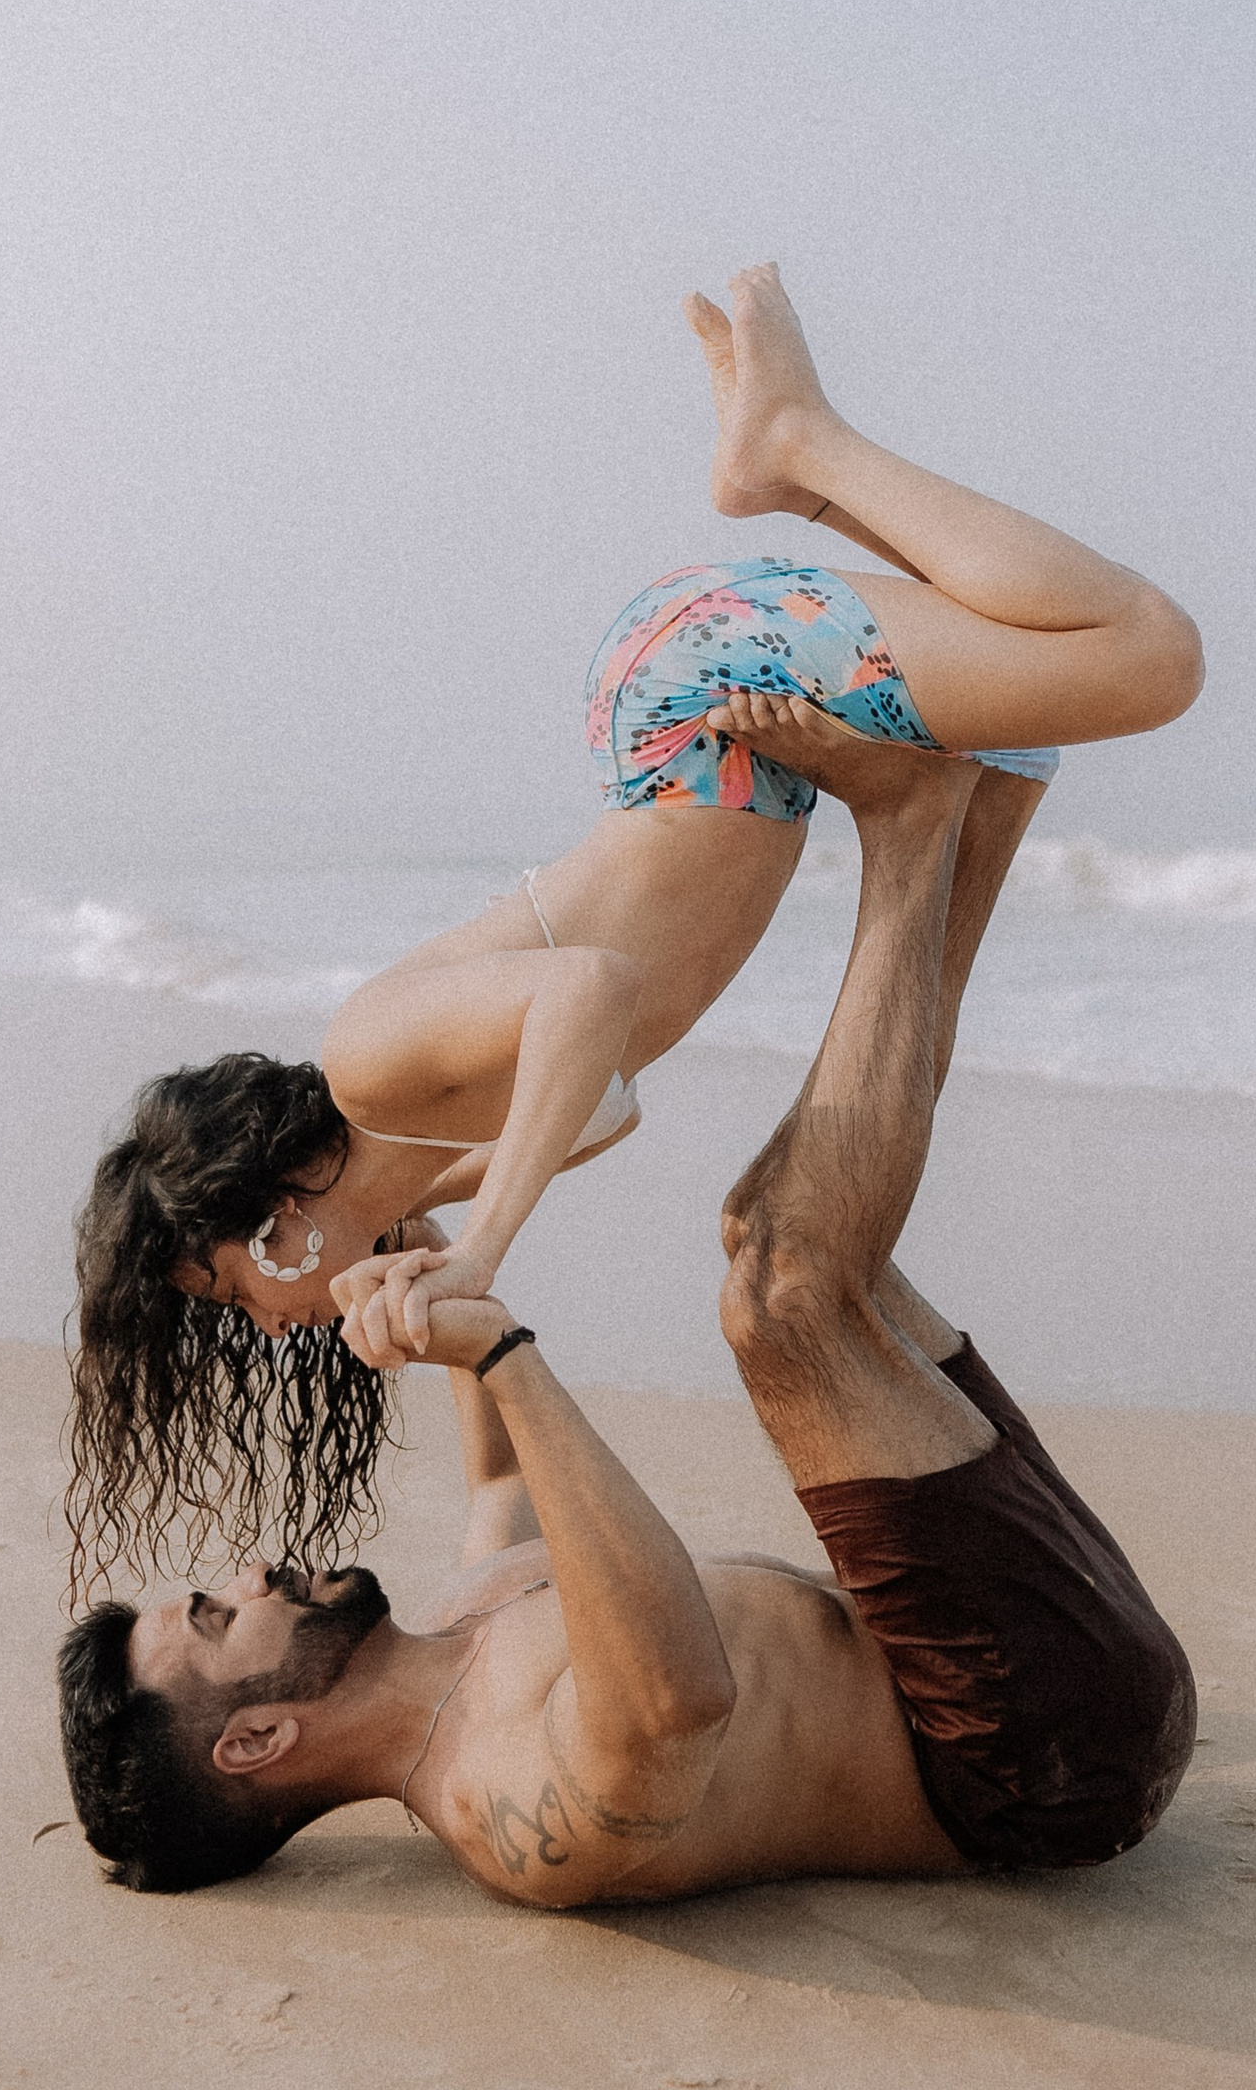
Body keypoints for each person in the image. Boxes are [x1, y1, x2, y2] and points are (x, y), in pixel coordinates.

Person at [66, 265, 1202, 1584]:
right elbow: (604, 1109)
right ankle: (790, 461)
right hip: (743, 750)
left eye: (229, 1293)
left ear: (269, 1221)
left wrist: (484, 1246)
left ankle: (797, 445)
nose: (266, 1329)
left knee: (1146, 656)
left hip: (693, 700)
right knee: (1031, 714)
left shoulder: (367, 1059)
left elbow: (593, 991)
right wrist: (431, 1236)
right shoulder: (420, 1156)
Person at [59, 699, 1196, 1903]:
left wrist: (403, 1242)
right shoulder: (503, 1807)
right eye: (216, 1615)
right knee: (784, 1291)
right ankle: (912, 821)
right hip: (1036, 1755)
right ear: (254, 1741)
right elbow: (676, 1701)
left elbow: (503, 1482)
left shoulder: (462, 1611)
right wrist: (503, 1355)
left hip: (1014, 1640)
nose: (247, 1572)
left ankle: (988, 794)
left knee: (778, 1235)